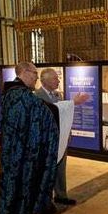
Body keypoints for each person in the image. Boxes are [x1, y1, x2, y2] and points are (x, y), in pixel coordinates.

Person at [0, 62, 88, 214]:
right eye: (34, 73)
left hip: (16, 150)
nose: (36, 77)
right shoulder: (22, 96)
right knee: (22, 185)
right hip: (22, 152)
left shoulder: (12, 94)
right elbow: (45, 112)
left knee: (17, 185)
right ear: (24, 72)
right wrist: (72, 103)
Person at [34, 68, 75, 206]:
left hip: (61, 139)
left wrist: (68, 132)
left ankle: (61, 195)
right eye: (54, 79)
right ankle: (46, 199)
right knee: (47, 170)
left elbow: (64, 116)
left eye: (58, 78)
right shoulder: (36, 96)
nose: (58, 81)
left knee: (61, 167)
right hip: (47, 141)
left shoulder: (58, 96)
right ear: (44, 81)